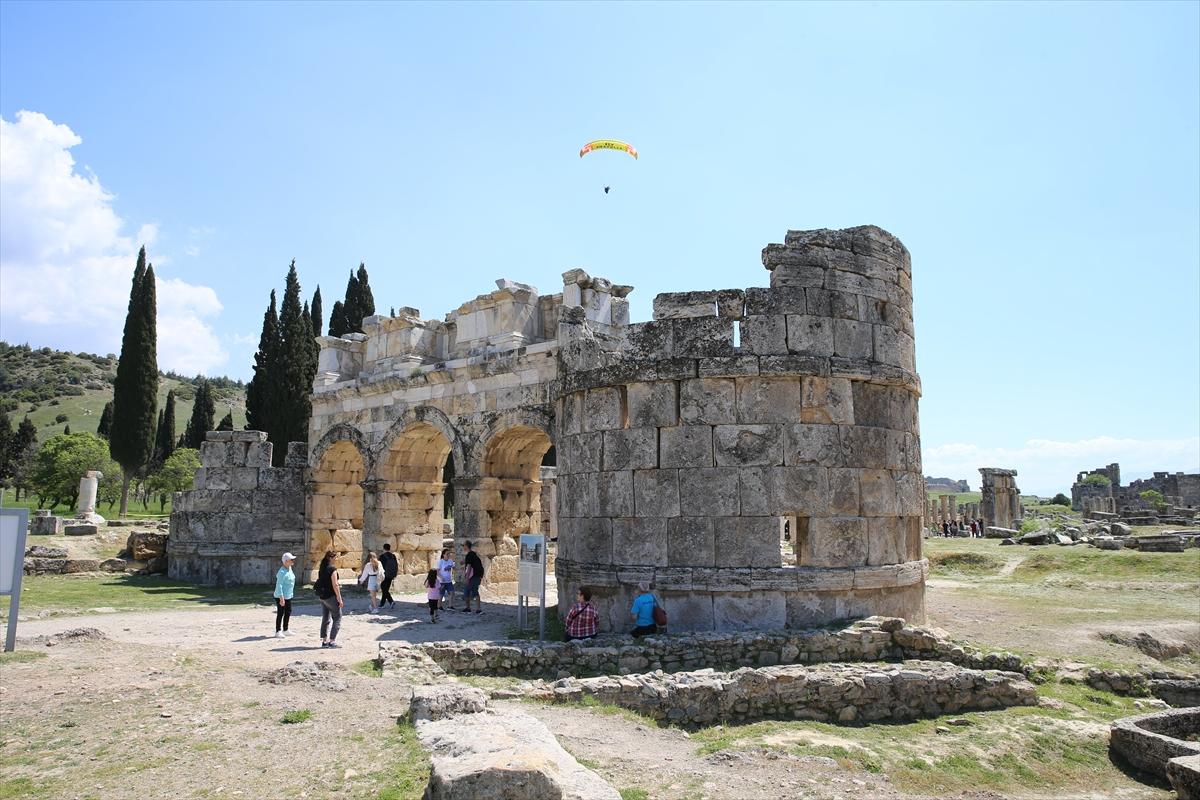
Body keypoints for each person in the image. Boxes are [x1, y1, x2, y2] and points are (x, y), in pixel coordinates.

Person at [314, 550, 343, 648]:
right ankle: (332, 641)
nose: (336, 559)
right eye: (335, 557)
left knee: (325, 618)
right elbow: (335, 585)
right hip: (331, 596)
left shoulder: (322, 568)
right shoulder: (332, 569)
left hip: (323, 597)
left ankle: (324, 640)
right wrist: (339, 598)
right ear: (330, 558)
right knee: (337, 617)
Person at [273, 552, 296, 639]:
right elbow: (279, 585)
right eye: (291, 560)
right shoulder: (282, 571)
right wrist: (281, 598)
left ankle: (285, 630)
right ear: (286, 561)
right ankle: (278, 631)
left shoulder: (289, 568)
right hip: (281, 596)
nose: (293, 561)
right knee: (280, 613)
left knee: (288, 611)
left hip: (288, 595)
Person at [462, 541, 484, 614]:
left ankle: (478, 609)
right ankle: (469, 608)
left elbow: (469, 567)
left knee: (471, 592)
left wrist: (467, 578)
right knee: (469, 591)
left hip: (473, 576)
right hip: (477, 575)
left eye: (463, 546)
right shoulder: (474, 555)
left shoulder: (469, 555)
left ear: (466, 546)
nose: (463, 547)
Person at [379, 543, 398, 610]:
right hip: (391, 575)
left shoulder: (382, 556)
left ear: (384, 548)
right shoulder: (393, 556)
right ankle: (382, 604)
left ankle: (391, 601)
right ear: (389, 548)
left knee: (383, 588)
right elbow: (396, 565)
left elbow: (380, 567)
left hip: (385, 575)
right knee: (385, 589)